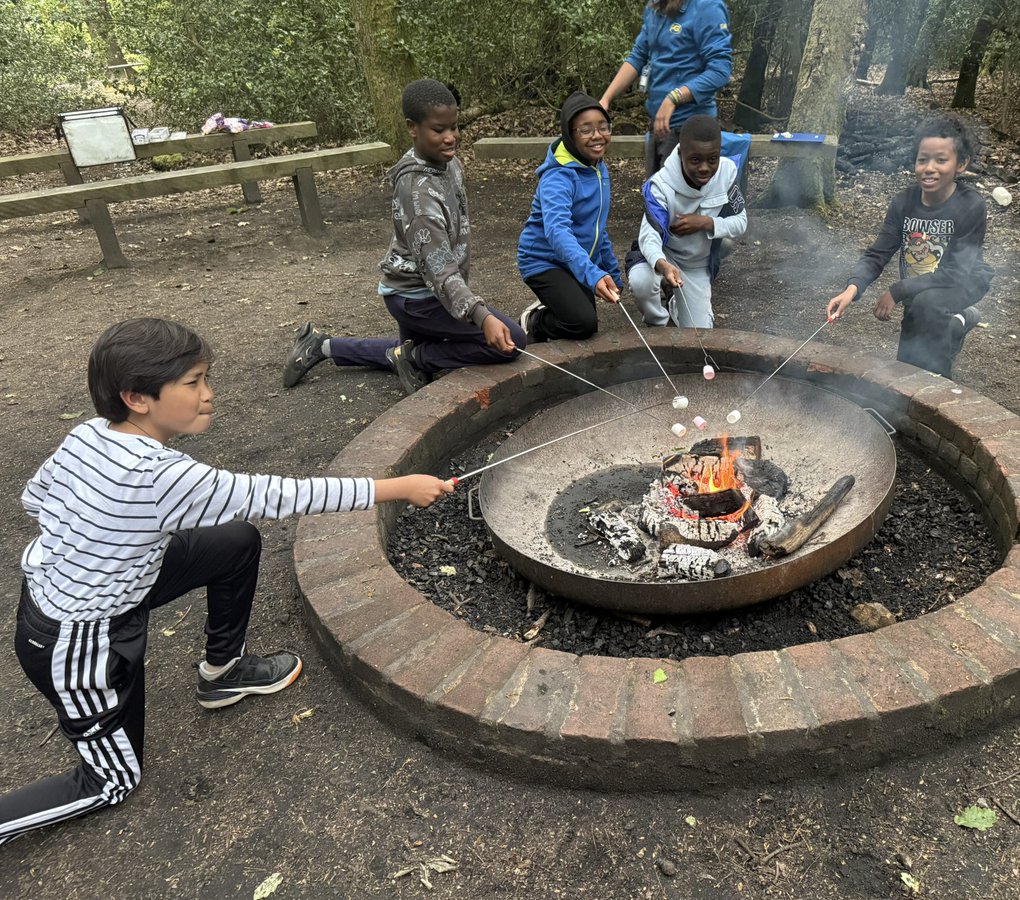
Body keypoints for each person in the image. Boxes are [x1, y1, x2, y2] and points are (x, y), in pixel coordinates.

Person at [0, 317, 454, 845]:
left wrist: (107, 544)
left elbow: (35, 497)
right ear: (136, 397)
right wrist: (395, 486)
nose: (208, 394)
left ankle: (223, 672)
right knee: (113, 781)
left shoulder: (89, 432)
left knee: (234, 541)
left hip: (98, 585)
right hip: (78, 639)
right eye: (192, 383)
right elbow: (281, 496)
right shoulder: (163, 477)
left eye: (205, 378)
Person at [283, 79, 525, 393]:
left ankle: (322, 346)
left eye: (455, 127)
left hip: (431, 292)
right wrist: (480, 315)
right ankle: (411, 357)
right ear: (413, 127)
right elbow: (438, 266)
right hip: (416, 298)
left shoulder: (449, 165)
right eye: (439, 130)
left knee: (412, 349)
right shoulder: (417, 193)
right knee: (512, 341)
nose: (451, 138)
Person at [826, 115, 992, 379]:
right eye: (922, 159)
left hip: (966, 280)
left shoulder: (970, 205)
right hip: (923, 285)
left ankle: (937, 388)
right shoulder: (904, 203)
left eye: (941, 160)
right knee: (912, 346)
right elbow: (877, 253)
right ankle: (955, 326)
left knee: (927, 306)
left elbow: (956, 272)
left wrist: (898, 290)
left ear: (961, 164)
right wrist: (851, 289)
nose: (929, 168)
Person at [516, 91, 623, 343]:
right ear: (570, 134)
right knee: (582, 323)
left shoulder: (597, 166)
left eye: (603, 127)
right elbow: (557, 232)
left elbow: (597, 226)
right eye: (585, 130)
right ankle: (534, 322)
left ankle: (555, 306)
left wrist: (611, 270)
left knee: (583, 327)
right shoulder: (558, 177)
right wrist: (592, 274)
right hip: (544, 261)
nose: (597, 136)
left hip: (575, 261)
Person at [626, 114, 746, 328]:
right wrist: (663, 265)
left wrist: (705, 222)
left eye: (712, 159)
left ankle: (676, 304)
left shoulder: (727, 172)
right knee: (641, 282)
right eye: (695, 160)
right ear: (681, 153)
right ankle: (657, 323)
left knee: (699, 335)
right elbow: (649, 236)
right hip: (663, 255)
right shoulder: (660, 186)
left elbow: (740, 222)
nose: (704, 168)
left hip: (695, 264)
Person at [599, 0, 733, 176]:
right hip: (658, 127)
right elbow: (638, 56)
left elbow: (720, 70)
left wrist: (674, 98)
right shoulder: (654, 7)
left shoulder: (707, 7)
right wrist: (605, 100)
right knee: (657, 198)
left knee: (681, 200)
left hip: (690, 131)